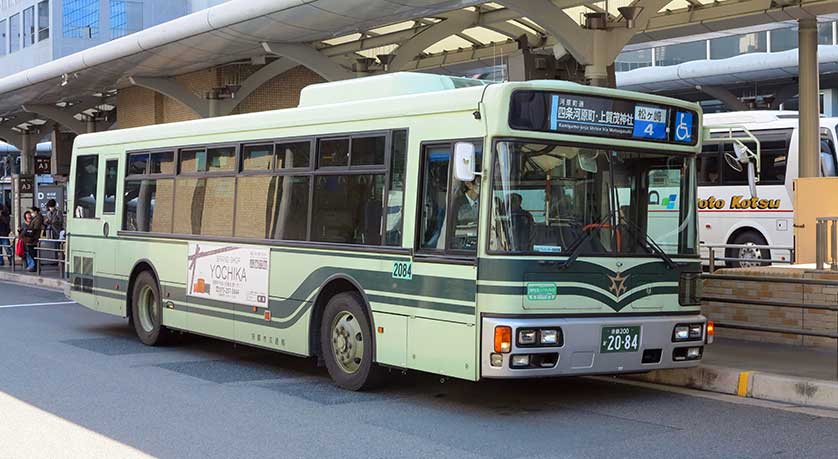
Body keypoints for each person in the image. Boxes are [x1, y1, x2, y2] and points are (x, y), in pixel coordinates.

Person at [26, 207, 43, 272]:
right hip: (32, 238)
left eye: (32, 212)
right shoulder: (36, 218)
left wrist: (29, 231)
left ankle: (36, 267)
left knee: (33, 253)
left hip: (34, 238)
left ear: (35, 211)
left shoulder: (38, 218)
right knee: (32, 253)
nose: (31, 214)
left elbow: (35, 228)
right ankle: (35, 266)